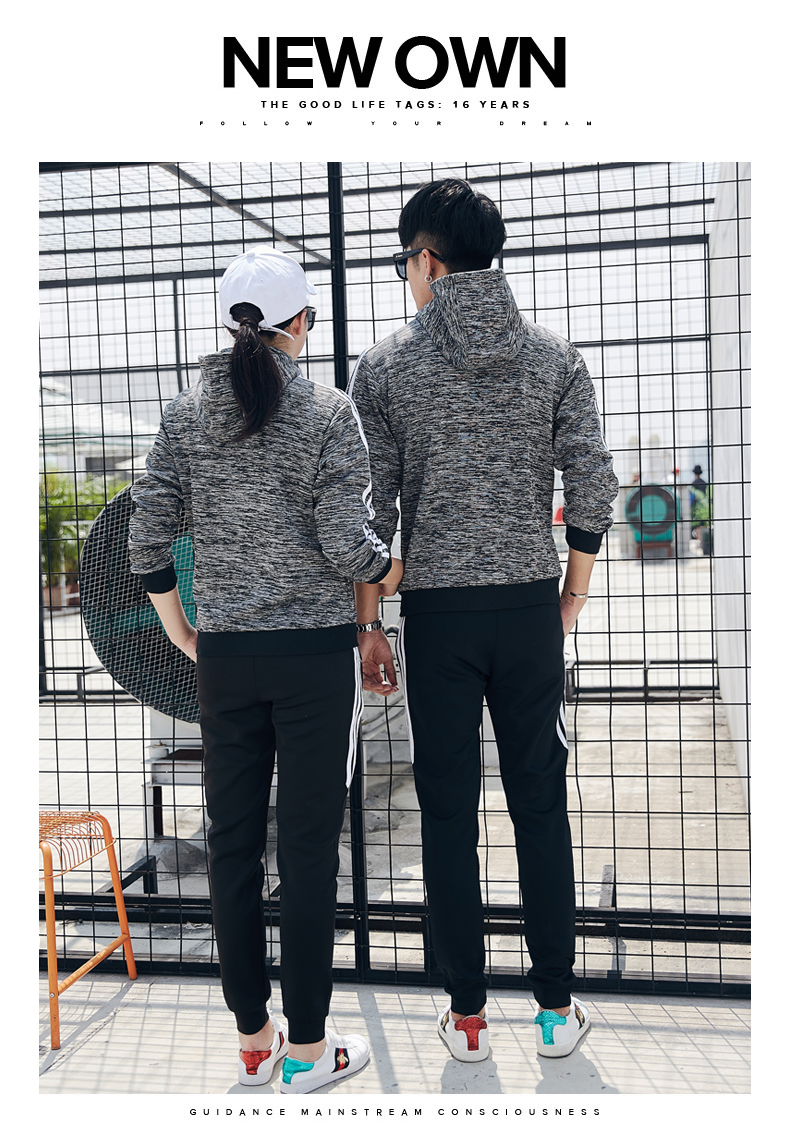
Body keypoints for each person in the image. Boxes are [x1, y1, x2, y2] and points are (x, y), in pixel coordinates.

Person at [350, 179, 620, 1062]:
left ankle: (467, 1017)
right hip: (529, 607)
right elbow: (593, 482)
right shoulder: (555, 357)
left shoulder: (385, 368)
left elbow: (372, 510)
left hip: (437, 616)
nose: (406, 275)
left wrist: (370, 624)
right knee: (540, 803)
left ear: (428, 259)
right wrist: (571, 592)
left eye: (404, 261)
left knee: (446, 811)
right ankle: (555, 1012)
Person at [127, 246, 402, 1092]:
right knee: (312, 852)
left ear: (230, 324)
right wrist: (389, 566)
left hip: (227, 658)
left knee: (234, 848)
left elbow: (146, 537)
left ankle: (254, 1043)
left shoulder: (184, 414)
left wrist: (185, 634)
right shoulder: (327, 410)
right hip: (314, 660)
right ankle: (310, 1051)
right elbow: (347, 544)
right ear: (302, 323)